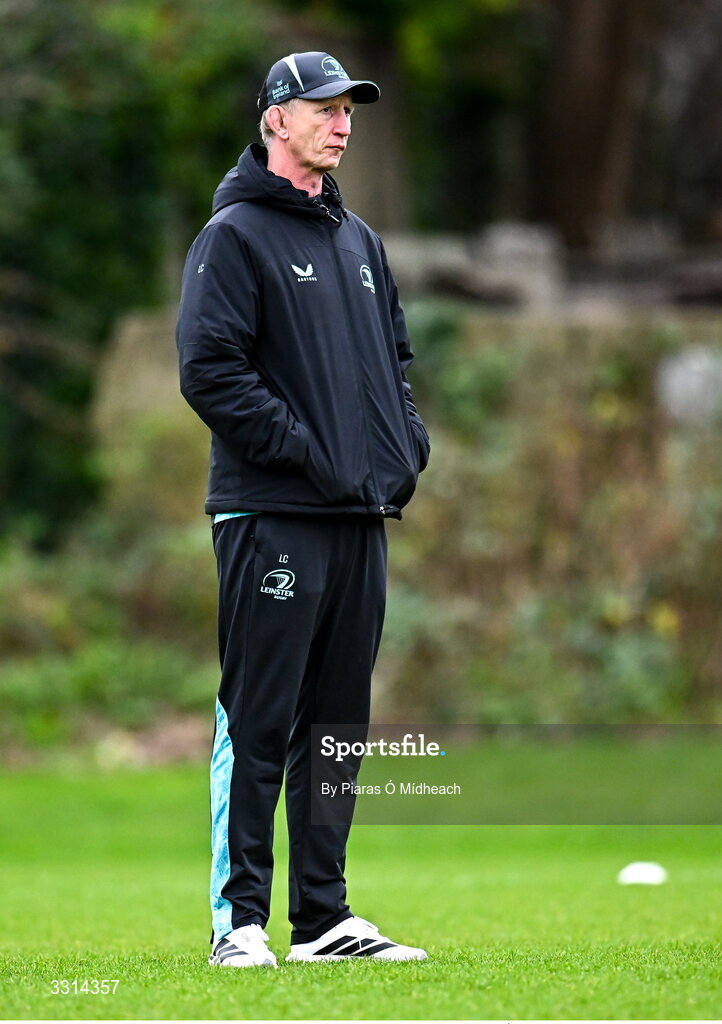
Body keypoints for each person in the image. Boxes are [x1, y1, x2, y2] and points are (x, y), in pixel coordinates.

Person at [176, 50, 430, 967]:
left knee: (337, 724)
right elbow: (210, 374)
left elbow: (394, 369)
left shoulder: (360, 243)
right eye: (324, 107)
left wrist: (405, 449)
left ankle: (323, 919)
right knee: (261, 715)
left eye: (350, 107)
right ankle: (238, 923)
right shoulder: (234, 237)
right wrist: (308, 453)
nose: (343, 121)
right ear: (275, 117)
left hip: (359, 520)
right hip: (269, 514)